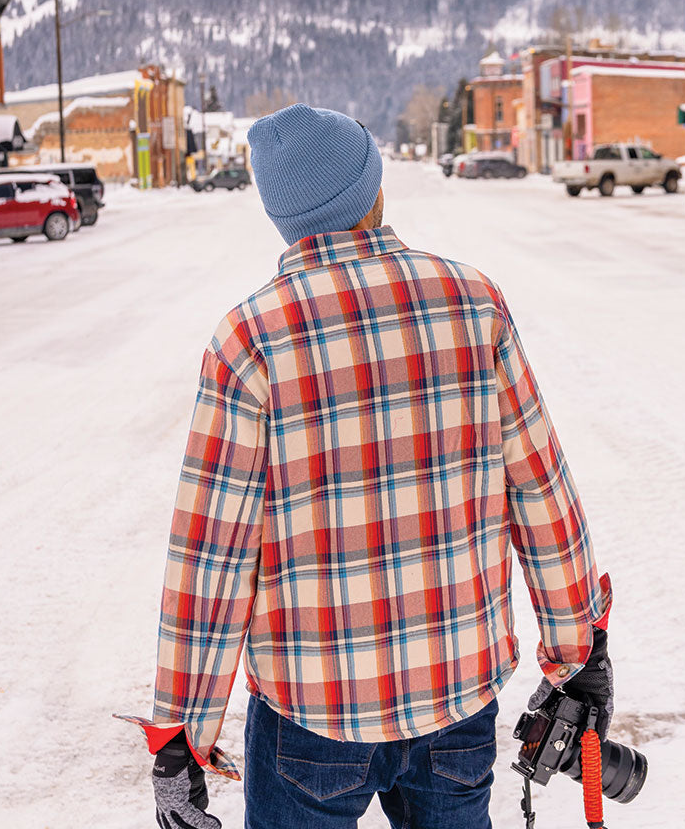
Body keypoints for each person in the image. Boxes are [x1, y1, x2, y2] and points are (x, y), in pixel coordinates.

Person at [118, 104, 613, 829]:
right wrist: (577, 654)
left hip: (311, 715)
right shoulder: (473, 302)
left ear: (285, 219)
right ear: (373, 191)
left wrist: (182, 740)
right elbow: (541, 492)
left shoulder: (249, 340)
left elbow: (211, 558)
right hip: (457, 695)